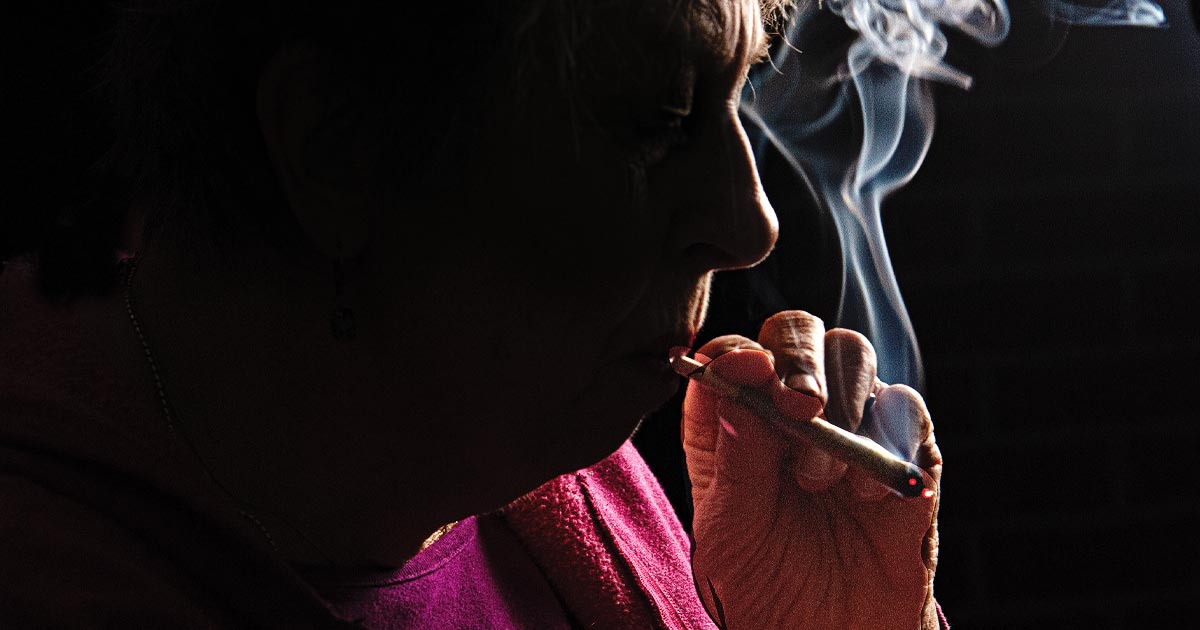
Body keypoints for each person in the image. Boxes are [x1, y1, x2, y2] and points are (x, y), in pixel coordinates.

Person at [0, 0, 944, 628]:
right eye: (657, 119)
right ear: (344, 150)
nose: (752, 225)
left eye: (739, 97)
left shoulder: (526, 461)